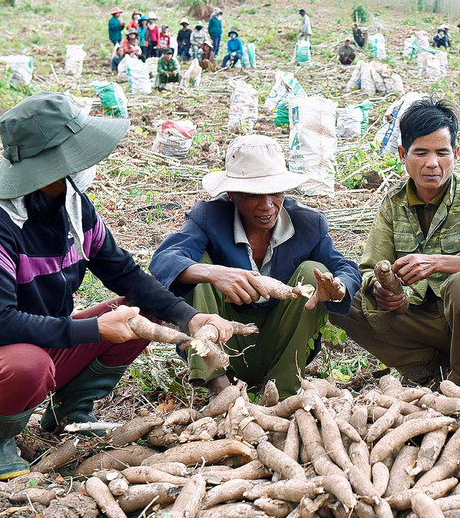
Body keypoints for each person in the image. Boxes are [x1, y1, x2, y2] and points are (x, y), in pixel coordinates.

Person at [0, 93, 233, 480]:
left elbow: (125, 273)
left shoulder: (75, 207)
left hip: (43, 345)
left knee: (141, 314)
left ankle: (71, 412)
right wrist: (95, 328)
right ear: (50, 165)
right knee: (28, 364)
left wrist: (191, 317)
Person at [150, 135, 361, 398]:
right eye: (253, 195)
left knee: (312, 271)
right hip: (224, 338)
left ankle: (283, 390)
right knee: (198, 264)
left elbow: (345, 268)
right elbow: (165, 260)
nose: (267, 205)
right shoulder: (209, 217)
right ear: (232, 195)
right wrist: (215, 273)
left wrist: (339, 287)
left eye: (275, 193)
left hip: (281, 344)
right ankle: (217, 384)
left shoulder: (308, 224)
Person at [331, 98, 460, 385]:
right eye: (421, 152)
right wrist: (382, 288)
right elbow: (369, 267)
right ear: (403, 155)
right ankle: (423, 365)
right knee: (341, 297)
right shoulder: (394, 202)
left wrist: (438, 263)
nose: (432, 163)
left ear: (455, 154)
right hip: (414, 316)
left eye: (442, 152)